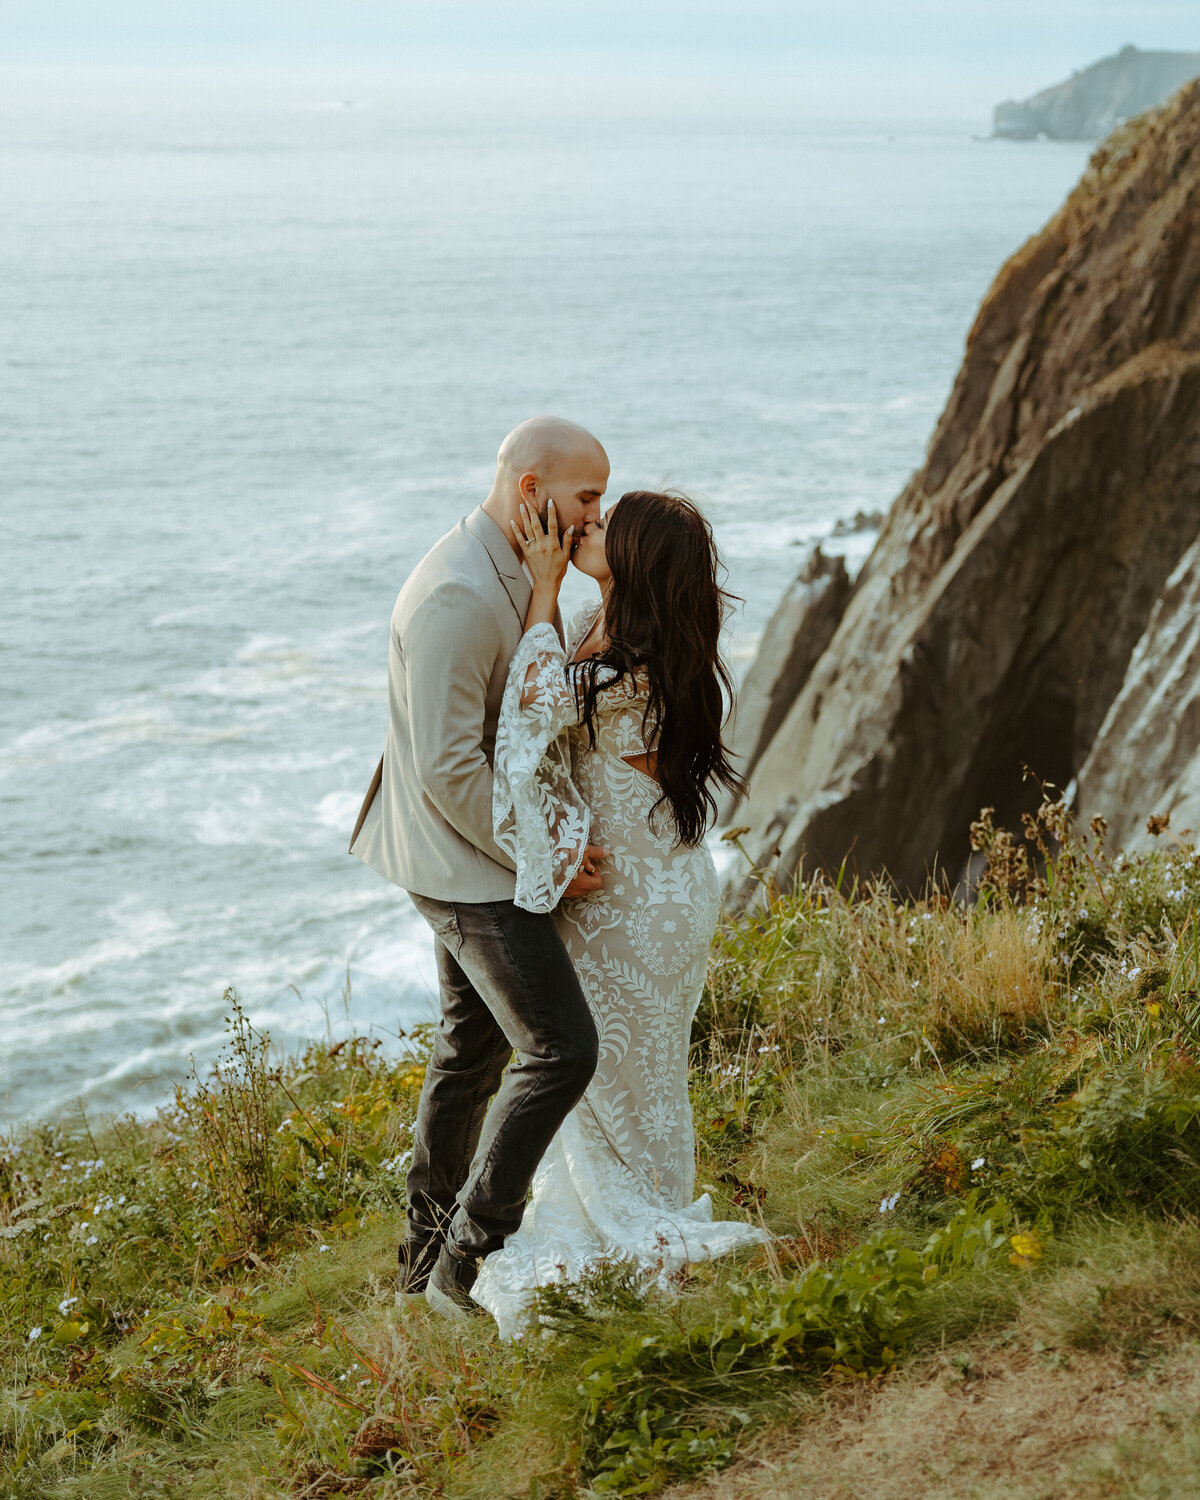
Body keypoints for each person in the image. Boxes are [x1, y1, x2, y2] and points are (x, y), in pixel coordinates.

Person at [474, 489, 768, 1337]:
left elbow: (528, 717)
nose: (584, 529)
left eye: (605, 527)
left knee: (624, 1084)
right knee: (626, 1088)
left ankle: (652, 1233)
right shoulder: (609, 644)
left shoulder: (620, 664)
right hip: (654, 889)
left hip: (639, 904)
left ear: (635, 561)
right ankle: (650, 1221)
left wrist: (537, 585)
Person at [348, 416, 611, 1319]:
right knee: (562, 1049)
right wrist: (550, 854)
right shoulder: (457, 595)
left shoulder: (516, 572)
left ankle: (422, 1265)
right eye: (588, 496)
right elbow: (450, 769)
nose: (596, 514)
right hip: (464, 868)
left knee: (470, 1053)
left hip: (472, 850)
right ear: (532, 492)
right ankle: (467, 1262)